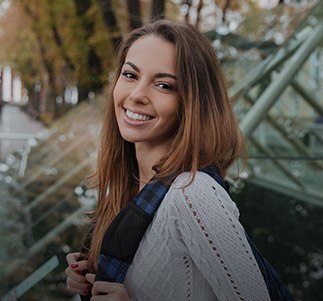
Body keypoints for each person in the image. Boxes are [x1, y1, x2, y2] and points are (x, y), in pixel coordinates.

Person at [65, 19, 289, 301]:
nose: (136, 95)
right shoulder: (131, 188)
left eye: (163, 85)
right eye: (130, 75)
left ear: (192, 103)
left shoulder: (193, 195)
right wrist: (92, 272)